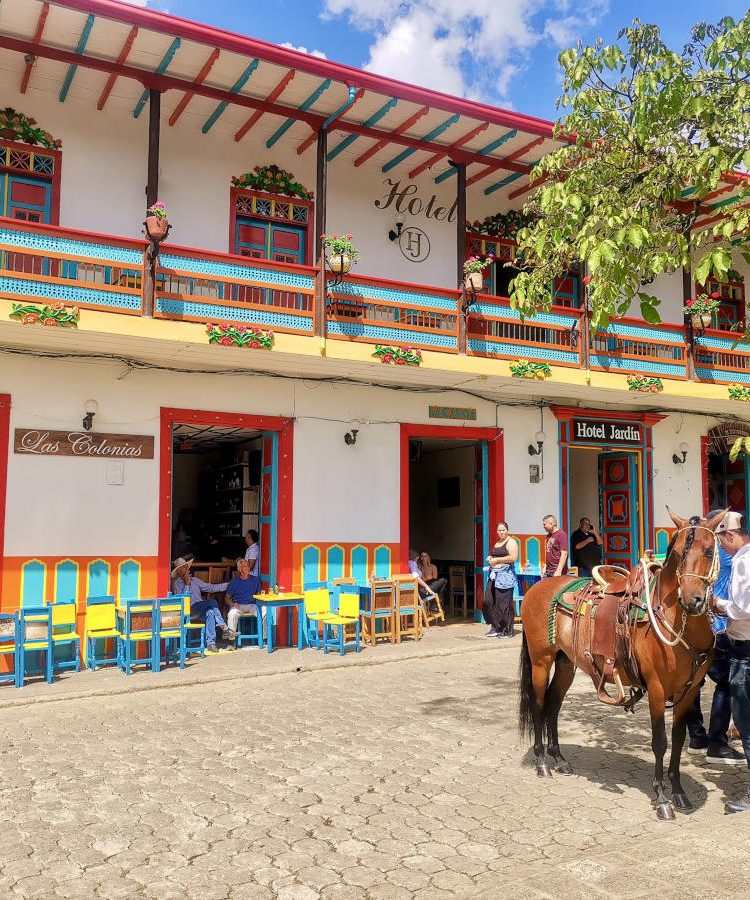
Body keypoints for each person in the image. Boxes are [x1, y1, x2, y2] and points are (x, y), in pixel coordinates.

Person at [687, 509, 744, 765]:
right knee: (724, 683)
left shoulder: (697, 551)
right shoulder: (732, 556)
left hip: (696, 625)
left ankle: (697, 737)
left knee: (693, 683)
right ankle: (717, 743)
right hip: (720, 624)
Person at [712, 511, 750, 813]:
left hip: (745, 650)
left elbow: (741, 608)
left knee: (746, 722)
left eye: (722, 542)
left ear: (730, 536)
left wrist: (718, 605)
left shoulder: (741, 561)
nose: (722, 549)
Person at [171, 557, 236, 654]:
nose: (187, 569)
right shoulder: (176, 584)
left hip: (199, 608)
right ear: (179, 570)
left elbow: (210, 587)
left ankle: (210, 644)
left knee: (210, 612)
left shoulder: (195, 580)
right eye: (185, 567)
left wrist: (227, 585)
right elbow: (182, 601)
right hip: (187, 610)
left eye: (187, 567)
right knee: (212, 602)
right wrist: (187, 584)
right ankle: (224, 627)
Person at [483, 521, 518, 638]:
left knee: (503, 604)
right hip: (494, 575)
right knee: (489, 601)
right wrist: (491, 558)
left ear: (507, 530)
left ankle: (507, 630)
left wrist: (497, 561)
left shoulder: (511, 542)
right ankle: (496, 626)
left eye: (503, 530)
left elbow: (513, 557)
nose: (501, 532)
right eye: (499, 530)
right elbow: (495, 556)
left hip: (505, 577)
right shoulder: (498, 542)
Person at [226, 557, 262, 642]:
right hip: (239, 605)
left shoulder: (255, 580)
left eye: (248, 566)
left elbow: (259, 594)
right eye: (245, 566)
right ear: (239, 569)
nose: (248, 568)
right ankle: (231, 641)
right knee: (232, 614)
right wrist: (232, 604)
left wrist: (259, 601)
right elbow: (226, 598)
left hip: (252, 605)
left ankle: (264, 638)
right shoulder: (234, 582)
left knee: (266, 612)